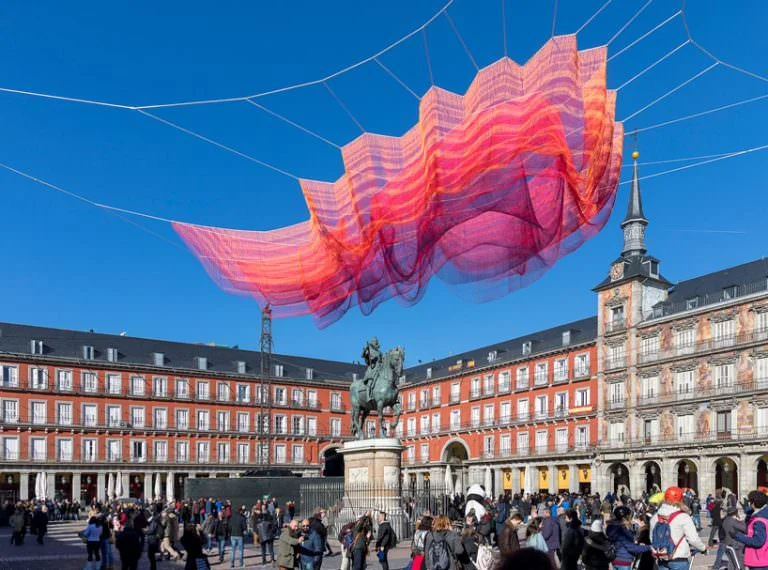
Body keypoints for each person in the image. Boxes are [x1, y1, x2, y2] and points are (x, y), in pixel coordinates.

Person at [650, 486, 706, 570]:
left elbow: (652, 538)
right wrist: (703, 548)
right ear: (680, 499)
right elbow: (693, 539)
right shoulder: (683, 517)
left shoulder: (655, 517)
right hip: (678, 558)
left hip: (661, 557)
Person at [735, 490, 768, 570]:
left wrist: (738, 536)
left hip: (759, 560)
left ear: (753, 503)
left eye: (750, 502)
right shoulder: (762, 513)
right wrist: (747, 510)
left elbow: (758, 541)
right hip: (761, 558)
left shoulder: (759, 521)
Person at [722, 505, 746, 570]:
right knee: (739, 563)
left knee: (732, 562)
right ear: (736, 513)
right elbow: (745, 529)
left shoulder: (725, 520)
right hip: (736, 545)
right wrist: (742, 521)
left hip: (727, 544)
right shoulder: (734, 521)